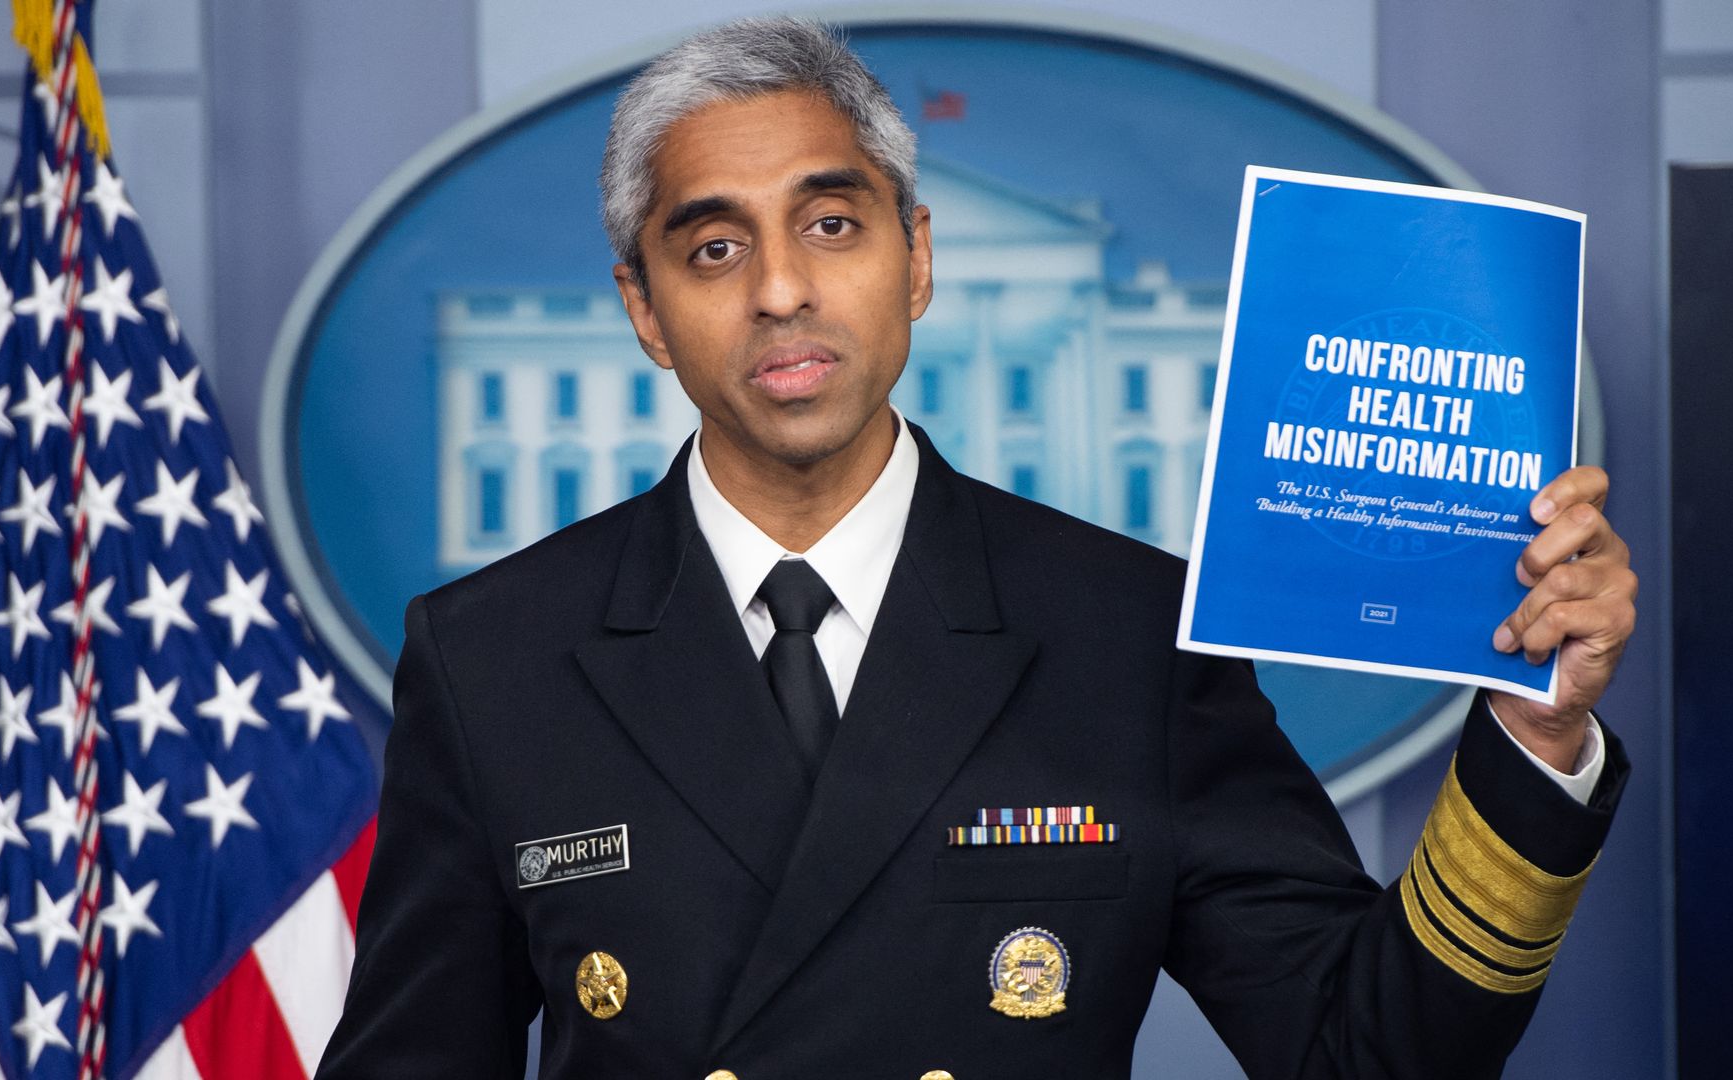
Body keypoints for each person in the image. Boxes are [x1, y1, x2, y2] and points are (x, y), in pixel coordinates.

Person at [318, 17, 1635, 1080]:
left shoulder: (1130, 638)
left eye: (832, 224)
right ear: (646, 312)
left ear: (917, 260)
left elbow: (1367, 1049)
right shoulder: (492, 658)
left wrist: (1535, 740)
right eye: (715, 247)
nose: (781, 287)